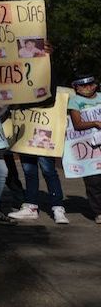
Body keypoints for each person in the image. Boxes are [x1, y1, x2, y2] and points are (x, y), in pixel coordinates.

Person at [67, 74, 101, 223]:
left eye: (90, 85)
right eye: (83, 86)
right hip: (89, 149)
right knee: (93, 181)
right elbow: (77, 124)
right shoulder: (74, 101)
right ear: (76, 88)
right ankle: (98, 212)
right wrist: (94, 123)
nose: (87, 88)